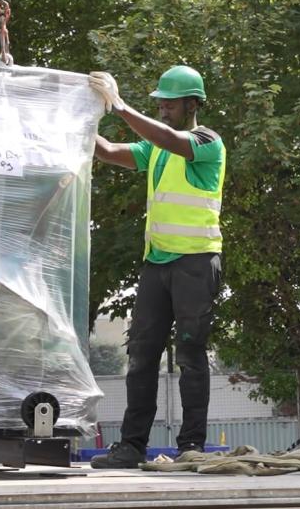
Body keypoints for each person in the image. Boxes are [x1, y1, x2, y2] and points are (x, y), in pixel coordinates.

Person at [86, 66, 226, 469]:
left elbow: (169, 138)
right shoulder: (158, 147)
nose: (163, 107)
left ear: (192, 103)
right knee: (141, 357)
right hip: (158, 263)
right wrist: (79, 119)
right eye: (160, 101)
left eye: (170, 101)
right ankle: (131, 446)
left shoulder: (206, 142)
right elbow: (110, 151)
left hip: (196, 263)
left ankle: (191, 447)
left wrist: (121, 106)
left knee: (191, 356)